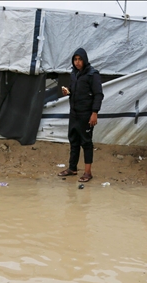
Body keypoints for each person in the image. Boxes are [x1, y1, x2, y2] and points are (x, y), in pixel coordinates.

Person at [57, 48, 104, 183]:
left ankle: (88, 172)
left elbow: (98, 95)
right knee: (74, 140)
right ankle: (72, 168)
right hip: (74, 113)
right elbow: (75, 89)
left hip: (86, 114)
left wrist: (94, 113)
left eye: (80, 59)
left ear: (85, 60)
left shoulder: (92, 74)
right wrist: (69, 91)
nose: (77, 62)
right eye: (75, 59)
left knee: (86, 142)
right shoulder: (74, 74)